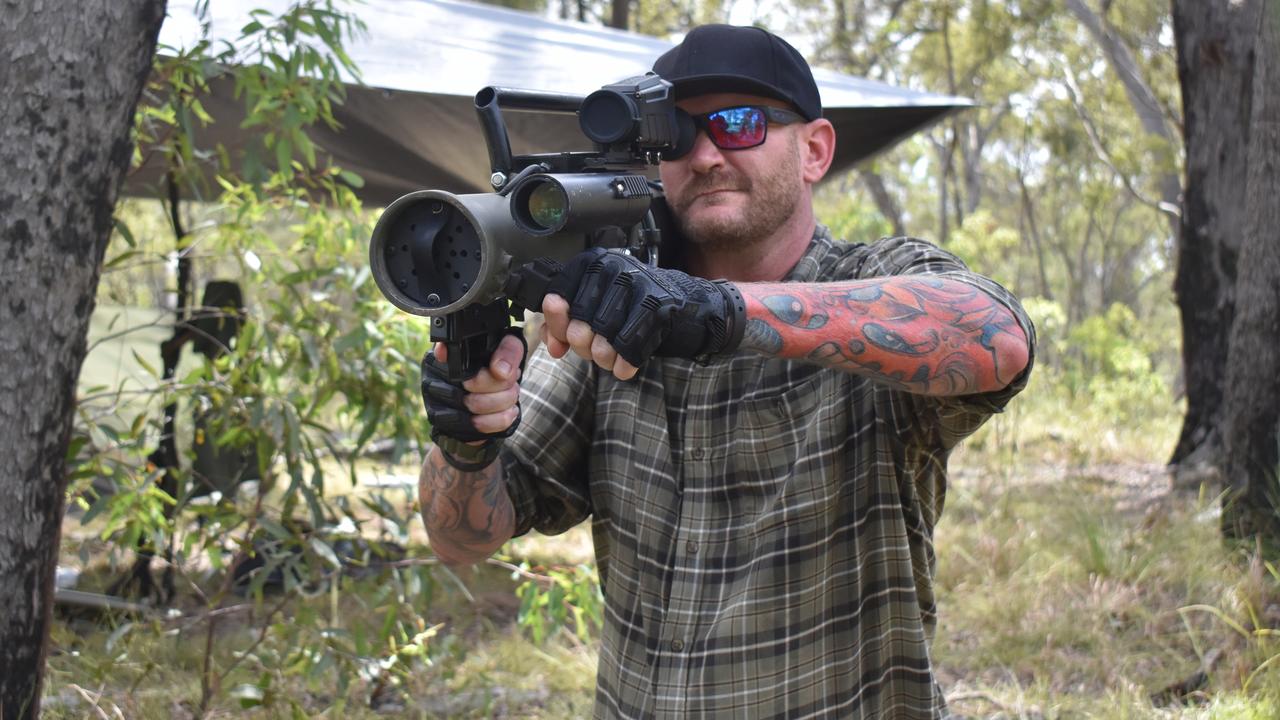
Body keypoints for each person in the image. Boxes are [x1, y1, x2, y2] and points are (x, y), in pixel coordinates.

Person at [417, 24, 1034, 720]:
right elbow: (462, 539)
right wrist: (466, 439)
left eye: (738, 125)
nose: (706, 155)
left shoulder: (866, 283)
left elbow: (995, 336)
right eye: (678, 135)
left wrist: (717, 312)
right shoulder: (613, 314)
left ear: (815, 150)